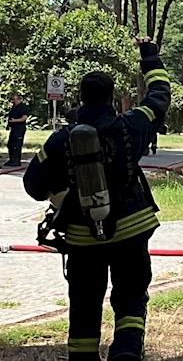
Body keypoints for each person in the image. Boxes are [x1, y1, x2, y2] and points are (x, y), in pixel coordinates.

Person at [23, 37, 171, 361]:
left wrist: (62, 192)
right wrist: (149, 56)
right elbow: (160, 95)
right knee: (131, 296)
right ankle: (127, 351)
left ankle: (83, 357)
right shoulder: (133, 124)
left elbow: (32, 184)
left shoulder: (61, 139)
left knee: (85, 303)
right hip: (132, 229)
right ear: (113, 98)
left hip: (81, 237)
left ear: (79, 98)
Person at [5, 93, 29, 167]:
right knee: (10, 144)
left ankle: (16, 161)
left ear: (18, 99)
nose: (13, 101)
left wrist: (15, 121)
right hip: (14, 128)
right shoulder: (14, 107)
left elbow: (24, 117)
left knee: (17, 145)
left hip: (19, 129)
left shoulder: (22, 107)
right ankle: (11, 159)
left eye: (14, 99)